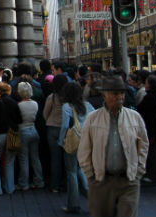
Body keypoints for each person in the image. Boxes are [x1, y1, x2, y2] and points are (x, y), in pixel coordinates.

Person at [78, 76, 149, 217]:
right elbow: (84, 149)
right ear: (104, 95)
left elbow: (143, 145)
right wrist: (90, 174)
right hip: (101, 181)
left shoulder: (134, 117)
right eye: (115, 94)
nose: (120, 97)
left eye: (122, 93)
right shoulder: (93, 118)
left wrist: (138, 171)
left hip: (128, 182)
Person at [59, 82, 94, 214]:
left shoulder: (67, 106)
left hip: (73, 141)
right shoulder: (88, 105)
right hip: (86, 141)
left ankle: (73, 204)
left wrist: (61, 141)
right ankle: (92, 198)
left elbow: (64, 126)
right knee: (82, 170)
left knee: (72, 172)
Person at [0, 82, 22, 196]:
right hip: (11, 134)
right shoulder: (13, 103)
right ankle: (10, 187)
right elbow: (19, 119)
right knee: (9, 162)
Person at [16, 81, 45, 190]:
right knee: (35, 158)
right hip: (33, 130)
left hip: (23, 131)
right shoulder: (35, 104)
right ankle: (39, 180)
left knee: (24, 158)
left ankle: (24, 182)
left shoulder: (19, 105)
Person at [136, 74, 156, 183]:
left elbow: (141, 110)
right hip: (154, 126)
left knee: (151, 151)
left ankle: (153, 173)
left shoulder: (149, 97)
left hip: (150, 127)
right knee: (154, 149)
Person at [43, 73, 68, 192]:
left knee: (55, 158)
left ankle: (55, 185)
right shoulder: (70, 97)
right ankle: (68, 182)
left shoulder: (52, 97)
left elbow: (45, 113)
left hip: (52, 127)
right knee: (67, 158)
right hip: (67, 128)